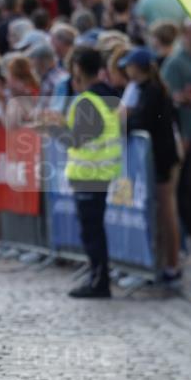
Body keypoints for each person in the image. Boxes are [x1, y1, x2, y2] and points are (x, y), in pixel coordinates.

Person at [119, 48, 181, 283]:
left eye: (129, 66)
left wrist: (125, 120)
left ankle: (171, 265)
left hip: (161, 159)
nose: (126, 70)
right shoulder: (144, 89)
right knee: (158, 212)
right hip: (156, 157)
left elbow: (140, 121)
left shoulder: (152, 91)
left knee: (166, 212)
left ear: (138, 67)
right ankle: (160, 262)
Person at [64, 47, 122, 298]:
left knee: (92, 231)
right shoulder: (107, 94)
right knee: (94, 229)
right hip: (100, 172)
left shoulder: (87, 100)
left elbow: (77, 139)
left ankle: (99, 282)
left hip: (90, 174)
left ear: (78, 68)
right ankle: (99, 278)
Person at [161, 19, 191, 247]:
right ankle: (190, 232)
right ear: (186, 33)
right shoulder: (176, 63)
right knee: (188, 186)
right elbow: (168, 99)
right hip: (188, 135)